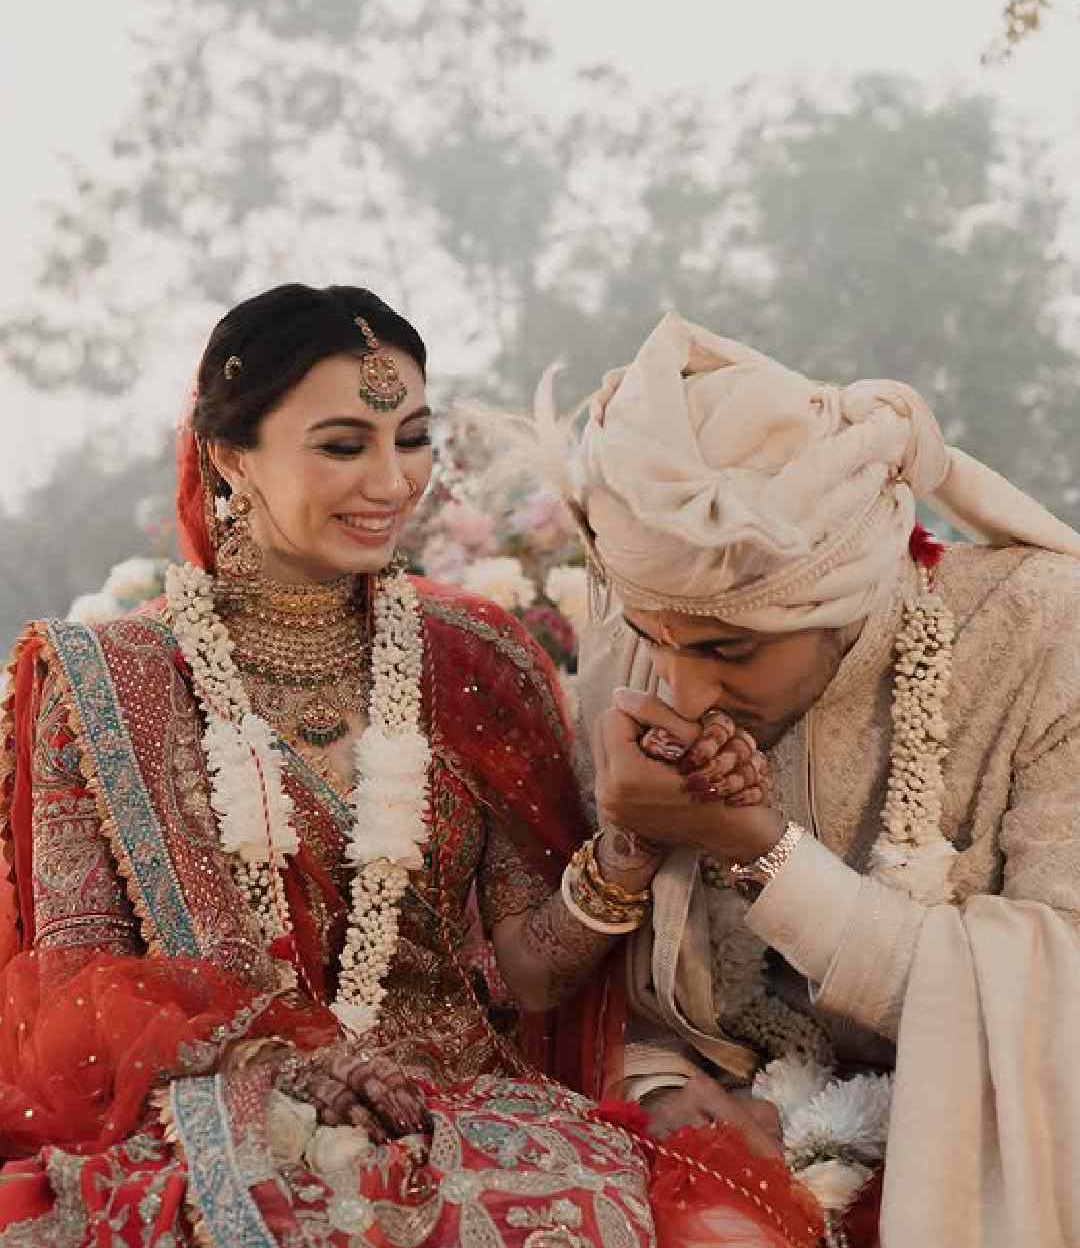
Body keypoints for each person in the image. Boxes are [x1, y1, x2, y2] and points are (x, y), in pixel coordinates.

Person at [0, 287, 823, 1248]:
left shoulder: (477, 655)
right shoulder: (105, 681)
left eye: (415, 438)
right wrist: (287, 1065)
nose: (393, 481)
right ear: (229, 458)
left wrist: (632, 847)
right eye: (346, 445)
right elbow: (76, 986)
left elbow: (532, 975)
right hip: (215, 1107)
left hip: (464, 1110)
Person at [556, 311, 1080, 1247]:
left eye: (729, 650)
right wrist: (659, 1076)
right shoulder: (640, 657)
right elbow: (581, 990)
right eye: (655, 641)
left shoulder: (1044, 636)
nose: (682, 690)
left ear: (851, 596)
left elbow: (1054, 1012)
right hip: (724, 1140)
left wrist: (754, 850)